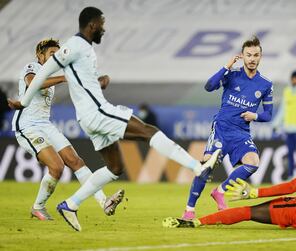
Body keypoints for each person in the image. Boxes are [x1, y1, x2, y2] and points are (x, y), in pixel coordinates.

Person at [8, 7, 220, 231]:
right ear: (91, 25)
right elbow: (39, 76)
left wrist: (97, 82)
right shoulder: (75, 46)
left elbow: (74, 82)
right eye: (101, 23)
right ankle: (198, 167)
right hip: (95, 113)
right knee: (148, 131)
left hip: (85, 118)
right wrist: (23, 102)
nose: (104, 28)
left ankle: (71, 204)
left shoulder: (83, 50)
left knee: (115, 168)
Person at [163, 125, 296, 230]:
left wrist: (253, 192)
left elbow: (293, 186)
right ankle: (196, 222)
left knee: (247, 211)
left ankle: (194, 223)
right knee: (257, 209)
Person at [10, 38, 123, 221]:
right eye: (51, 54)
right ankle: (38, 207)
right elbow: (32, 83)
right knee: (57, 166)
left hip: (45, 125)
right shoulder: (32, 67)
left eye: (58, 54)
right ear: (41, 55)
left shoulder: (55, 73)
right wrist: (64, 78)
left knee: (76, 161)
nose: (56, 58)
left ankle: (104, 202)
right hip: (27, 126)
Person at [182, 36, 274, 220]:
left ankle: (220, 190)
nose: (252, 59)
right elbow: (209, 87)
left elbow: (269, 115)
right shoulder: (232, 75)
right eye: (248, 55)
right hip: (222, 129)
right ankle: (189, 210)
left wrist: (254, 116)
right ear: (243, 56)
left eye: (256, 55)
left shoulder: (265, 84)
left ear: (260, 57)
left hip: (241, 133)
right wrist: (226, 67)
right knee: (206, 166)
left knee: (253, 162)